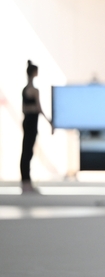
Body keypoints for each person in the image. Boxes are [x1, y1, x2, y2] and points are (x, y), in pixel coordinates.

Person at [20, 60, 51, 193]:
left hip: (28, 121)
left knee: (26, 151)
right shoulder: (34, 90)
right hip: (31, 122)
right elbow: (38, 108)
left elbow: (25, 109)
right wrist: (49, 122)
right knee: (28, 151)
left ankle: (26, 181)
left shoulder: (25, 89)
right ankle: (26, 182)